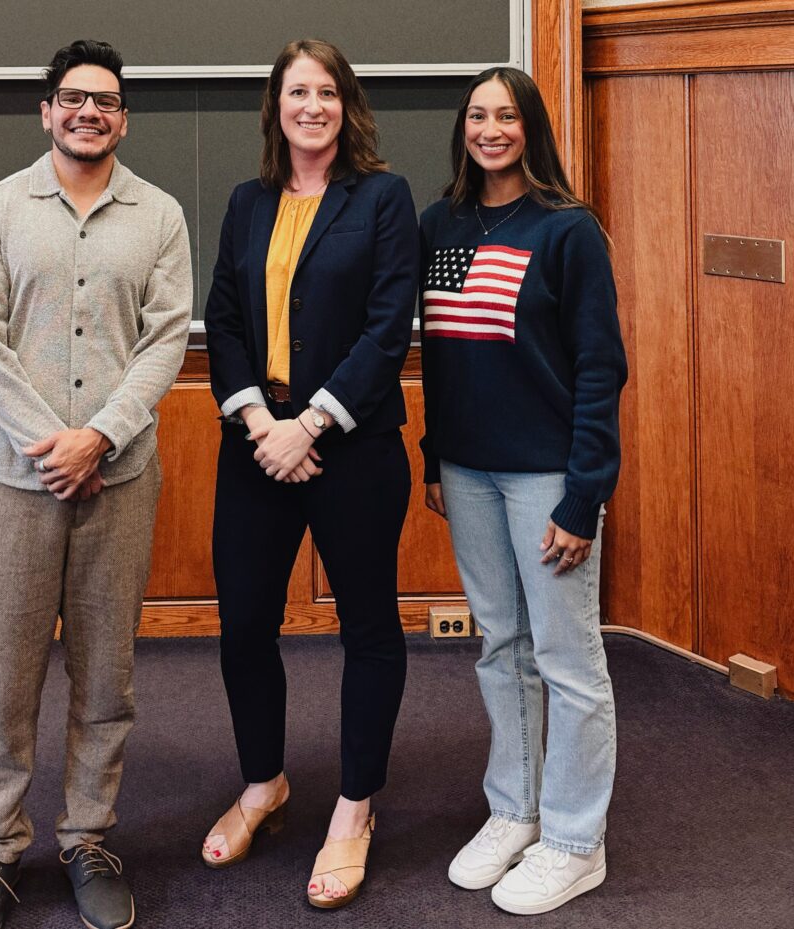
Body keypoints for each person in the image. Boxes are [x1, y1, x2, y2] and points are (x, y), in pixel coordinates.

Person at [0, 39, 192, 929]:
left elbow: (166, 339)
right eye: (74, 98)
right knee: (5, 676)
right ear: (47, 110)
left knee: (106, 677)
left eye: (108, 101)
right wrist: (52, 443)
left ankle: (88, 835)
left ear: (123, 118)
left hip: (119, 481)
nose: (90, 112)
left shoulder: (158, 215)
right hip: (16, 484)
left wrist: (99, 437)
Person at [202, 38, 419, 909]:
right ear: (276, 106)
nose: (312, 106)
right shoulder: (247, 203)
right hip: (257, 446)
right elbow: (221, 317)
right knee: (245, 625)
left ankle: (355, 809)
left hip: (351, 447)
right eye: (298, 92)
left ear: (347, 104)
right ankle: (265, 786)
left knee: (367, 628)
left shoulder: (383, 198)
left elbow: (388, 323)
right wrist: (262, 421)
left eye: (327, 92)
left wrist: (313, 422)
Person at [420, 66, 627, 915]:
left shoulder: (568, 231)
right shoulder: (444, 222)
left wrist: (584, 496)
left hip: (547, 475)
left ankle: (577, 840)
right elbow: (446, 350)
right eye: (478, 115)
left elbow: (600, 369)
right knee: (500, 645)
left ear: (530, 126)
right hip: (467, 469)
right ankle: (517, 808)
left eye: (507, 115)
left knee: (568, 661)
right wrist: (436, 457)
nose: (491, 128)